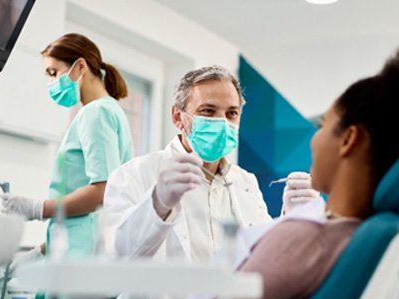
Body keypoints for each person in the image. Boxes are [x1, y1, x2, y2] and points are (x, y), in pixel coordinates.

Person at [236, 49, 399, 299]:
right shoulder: (366, 236)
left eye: (322, 125)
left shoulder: (304, 238)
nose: (314, 138)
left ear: (349, 139)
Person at [104, 65, 318, 268]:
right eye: (208, 111)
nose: (222, 122)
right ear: (178, 117)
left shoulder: (245, 182)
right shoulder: (135, 173)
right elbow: (118, 258)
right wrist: (158, 203)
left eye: (231, 113)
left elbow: (262, 257)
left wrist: (291, 217)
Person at [0, 33, 134, 259]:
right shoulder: (109, 111)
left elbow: (101, 193)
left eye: (54, 73)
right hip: (81, 249)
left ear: (80, 66)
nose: (51, 83)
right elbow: (78, 219)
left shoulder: (96, 113)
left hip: (83, 258)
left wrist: (37, 208)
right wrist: (36, 254)